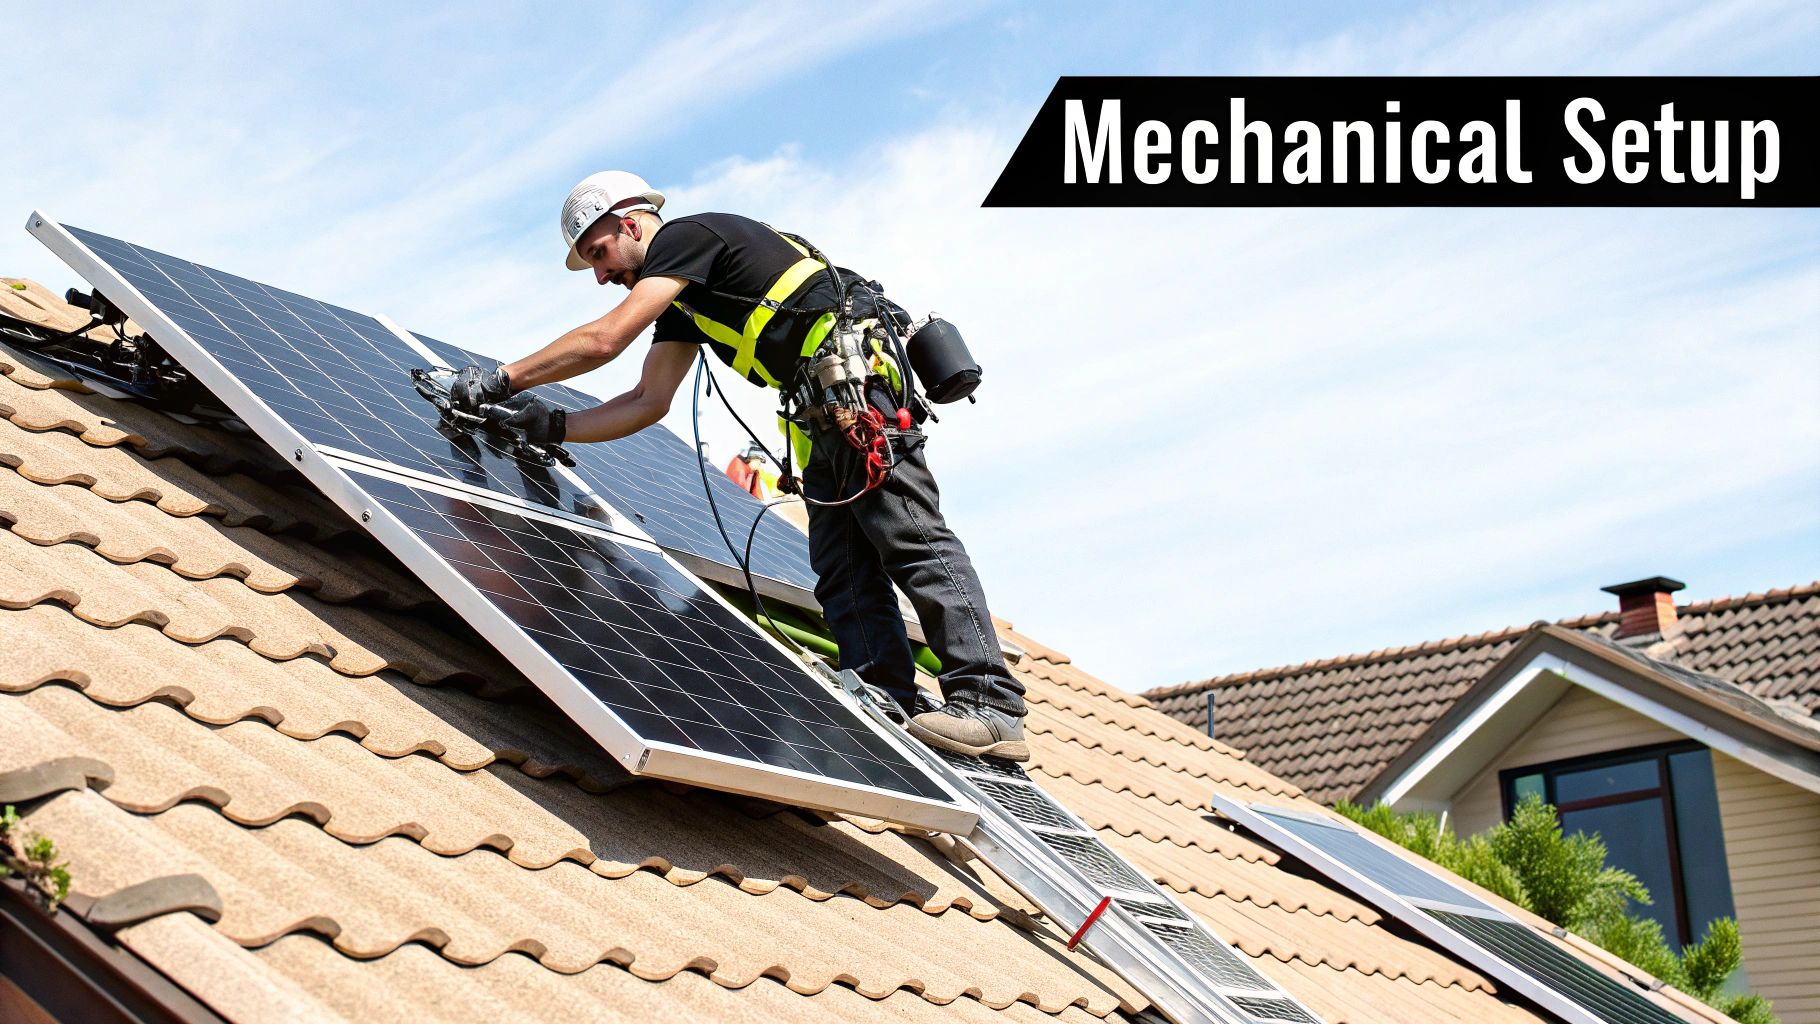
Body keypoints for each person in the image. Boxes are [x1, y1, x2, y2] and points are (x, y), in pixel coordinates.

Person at [451, 170, 1028, 761]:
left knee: (910, 538)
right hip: (823, 410)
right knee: (842, 566)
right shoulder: (685, 300)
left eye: (599, 253)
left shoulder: (684, 238)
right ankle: (886, 696)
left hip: (858, 392)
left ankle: (991, 702)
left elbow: (605, 340)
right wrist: (552, 424)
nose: (601, 275)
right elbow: (648, 402)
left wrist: (503, 378)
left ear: (630, 224)